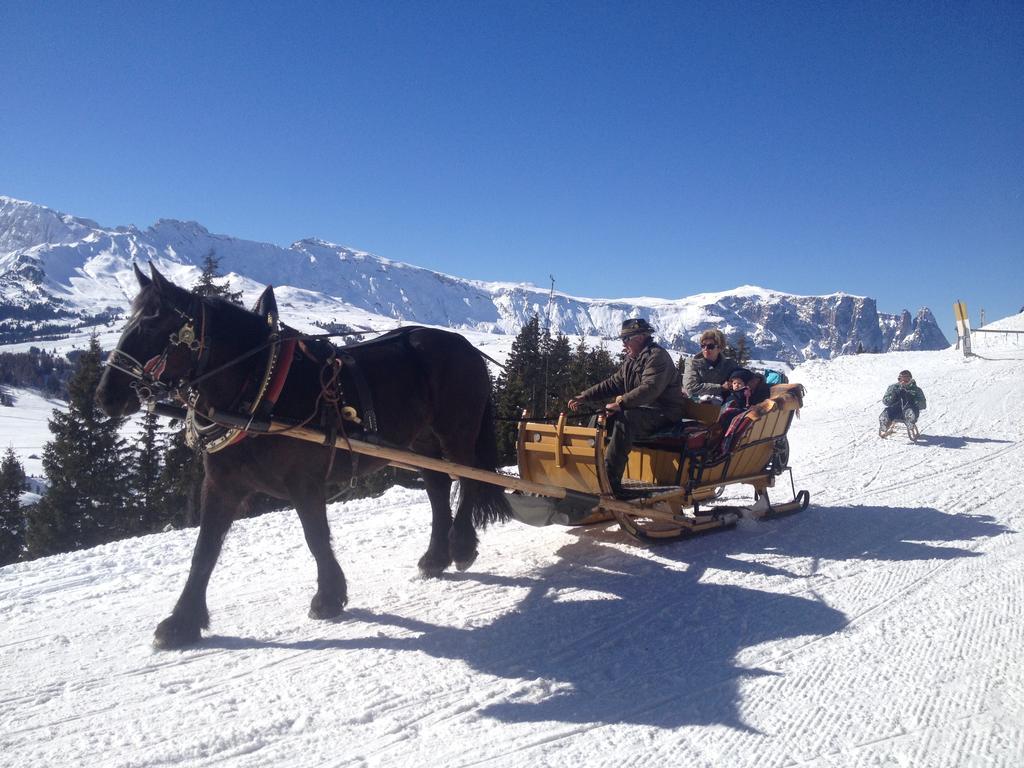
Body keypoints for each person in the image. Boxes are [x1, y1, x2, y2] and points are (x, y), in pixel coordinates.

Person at [568, 318, 685, 497]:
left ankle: (609, 481)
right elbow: (615, 382)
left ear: (639, 338)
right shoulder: (633, 358)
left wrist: (620, 404)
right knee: (601, 417)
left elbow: (650, 389)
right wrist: (586, 395)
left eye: (625, 340)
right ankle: (588, 470)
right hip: (642, 410)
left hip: (664, 414)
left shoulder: (658, 357)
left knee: (627, 419)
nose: (623, 344)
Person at [682, 329, 737, 400]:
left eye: (710, 346)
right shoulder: (693, 363)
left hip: (724, 406)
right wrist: (721, 388)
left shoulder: (729, 365)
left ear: (720, 348)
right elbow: (690, 388)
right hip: (697, 406)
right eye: (703, 345)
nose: (706, 349)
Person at [879, 370, 927, 436]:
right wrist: (893, 396)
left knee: (910, 408)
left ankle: (910, 419)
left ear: (910, 379)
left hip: (910, 409)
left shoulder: (916, 390)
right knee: (889, 409)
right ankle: (885, 421)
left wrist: (914, 401)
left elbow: (923, 405)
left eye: (906, 379)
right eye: (901, 379)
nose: (903, 382)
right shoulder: (893, 388)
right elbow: (885, 401)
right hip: (896, 410)